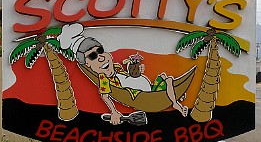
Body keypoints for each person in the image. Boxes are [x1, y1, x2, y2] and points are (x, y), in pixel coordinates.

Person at [58, 23, 188, 125]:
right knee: (169, 81)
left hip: (151, 89)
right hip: (139, 95)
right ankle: (175, 102)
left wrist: (136, 70)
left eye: (101, 51)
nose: (101, 57)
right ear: (88, 65)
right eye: (93, 56)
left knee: (167, 78)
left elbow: (128, 76)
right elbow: (105, 95)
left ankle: (174, 100)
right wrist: (114, 112)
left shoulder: (116, 67)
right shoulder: (104, 79)